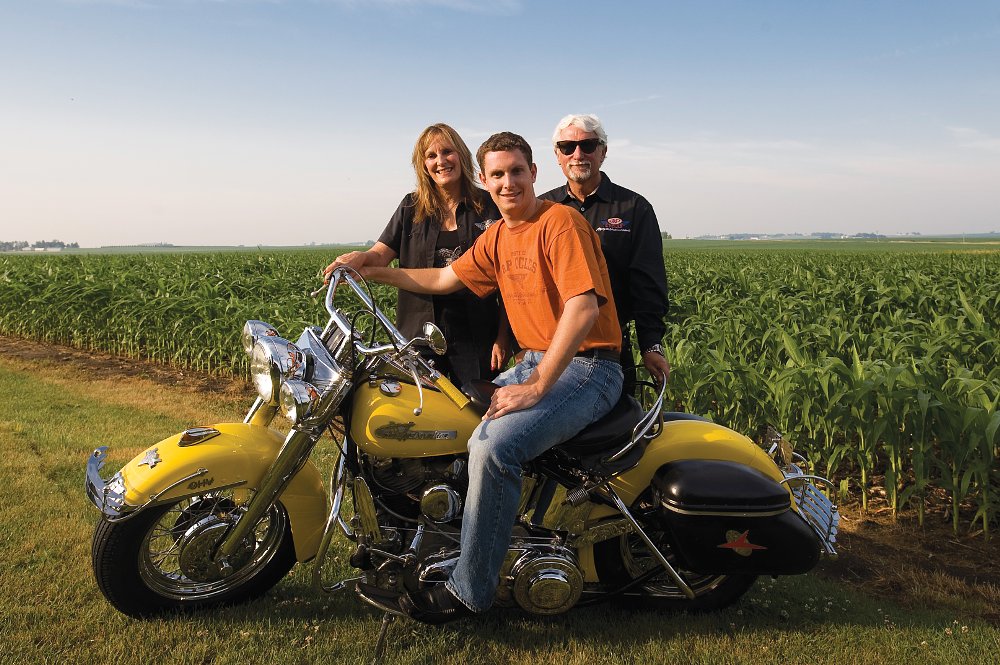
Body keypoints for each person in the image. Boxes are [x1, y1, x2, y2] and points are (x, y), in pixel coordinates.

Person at [356, 132, 624, 623]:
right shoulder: (499, 235)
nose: (507, 183)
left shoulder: (558, 222)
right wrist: (370, 271)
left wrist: (539, 382)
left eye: (516, 172)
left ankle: (469, 591)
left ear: (534, 174)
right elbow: (442, 279)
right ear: (484, 180)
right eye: (497, 175)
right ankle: (466, 544)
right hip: (541, 360)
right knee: (452, 422)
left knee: (494, 447)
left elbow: (583, 307)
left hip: (589, 367)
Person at [324, 123, 508, 386]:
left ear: (462, 155)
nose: (441, 161)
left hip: (478, 337)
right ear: (422, 165)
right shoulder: (410, 208)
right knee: (424, 418)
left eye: (447, 152)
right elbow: (379, 254)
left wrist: (503, 337)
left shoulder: (489, 205)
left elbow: (508, 282)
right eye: (431, 156)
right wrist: (359, 258)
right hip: (417, 338)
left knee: (475, 417)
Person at [539, 114, 670, 392]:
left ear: (603, 152)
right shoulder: (541, 209)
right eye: (567, 147)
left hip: (611, 349)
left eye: (588, 145)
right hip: (550, 348)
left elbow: (648, 284)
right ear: (557, 155)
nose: (578, 154)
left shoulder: (634, 208)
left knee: (619, 432)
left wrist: (651, 344)